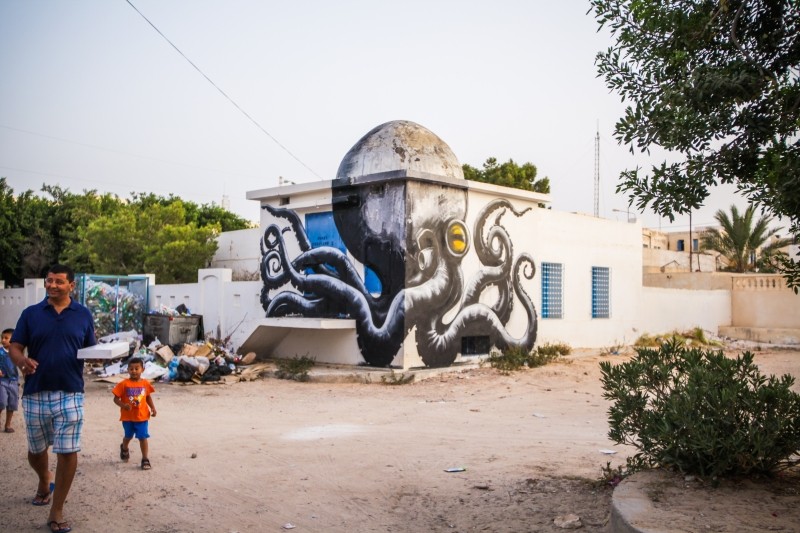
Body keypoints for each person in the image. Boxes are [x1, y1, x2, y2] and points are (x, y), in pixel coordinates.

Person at [9, 264, 96, 533]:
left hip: (71, 391)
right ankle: (44, 480)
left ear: (72, 286)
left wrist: (104, 355)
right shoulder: (31, 314)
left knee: (68, 450)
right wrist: (22, 361)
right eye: (49, 281)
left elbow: (91, 348)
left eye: (59, 281)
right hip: (36, 390)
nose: (53, 285)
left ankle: (56, 510)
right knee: (36, 451)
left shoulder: (83, 315)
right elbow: (15, 346)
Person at [112, 357, 157, 470]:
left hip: (142, 417)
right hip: (128, 417)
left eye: (137, 368)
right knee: (128, 436)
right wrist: (123, 405)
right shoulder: (123, 384)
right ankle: (124, 447)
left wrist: (153, 408)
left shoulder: (145, 383)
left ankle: (145, 459)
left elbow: (148, 397)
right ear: (127, 370)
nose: (134, 371)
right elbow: (116, 399)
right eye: (131, 369)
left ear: (142, 369)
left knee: (143, 437)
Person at [0, 327, 20, 432]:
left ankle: (7, 425)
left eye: (6, 338)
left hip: (13, 382)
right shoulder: (0, 352)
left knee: (12, 404)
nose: (3, 340)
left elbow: (21, 364)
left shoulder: (16, 352)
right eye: (2, 338)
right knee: (2, 402)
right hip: (2, 381)